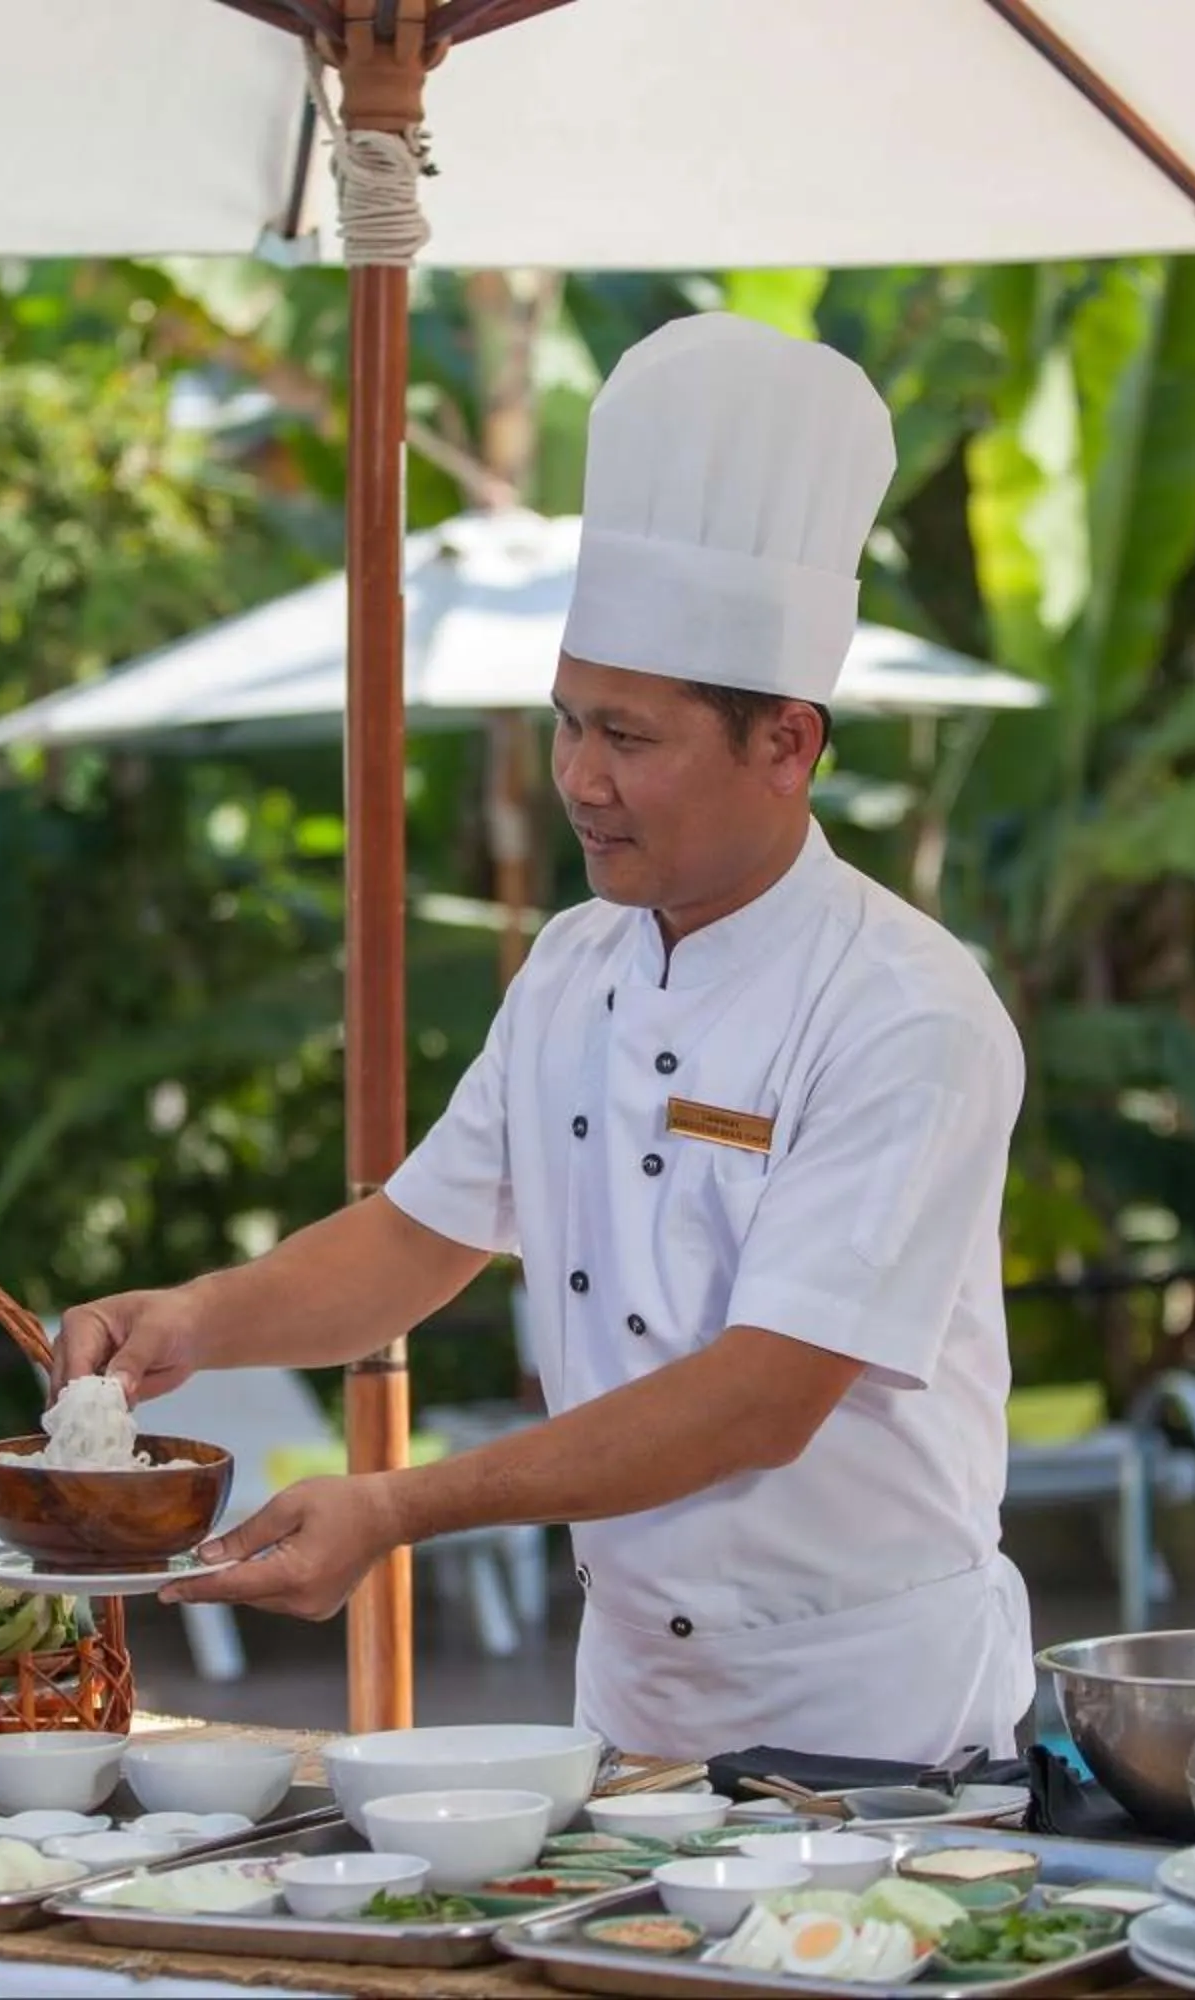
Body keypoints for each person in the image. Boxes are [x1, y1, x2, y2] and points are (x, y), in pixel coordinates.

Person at [55, 314, 1035, 1765]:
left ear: (787, 744)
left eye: (628, 738)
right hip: (631, 1702)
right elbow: (416, 1237)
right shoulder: (574, 967)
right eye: (569, 722)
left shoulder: (908, 1011)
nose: (578, 777)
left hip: (876, 1723)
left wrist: (397, 1507)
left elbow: (761, 1398)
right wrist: (197, 1319)